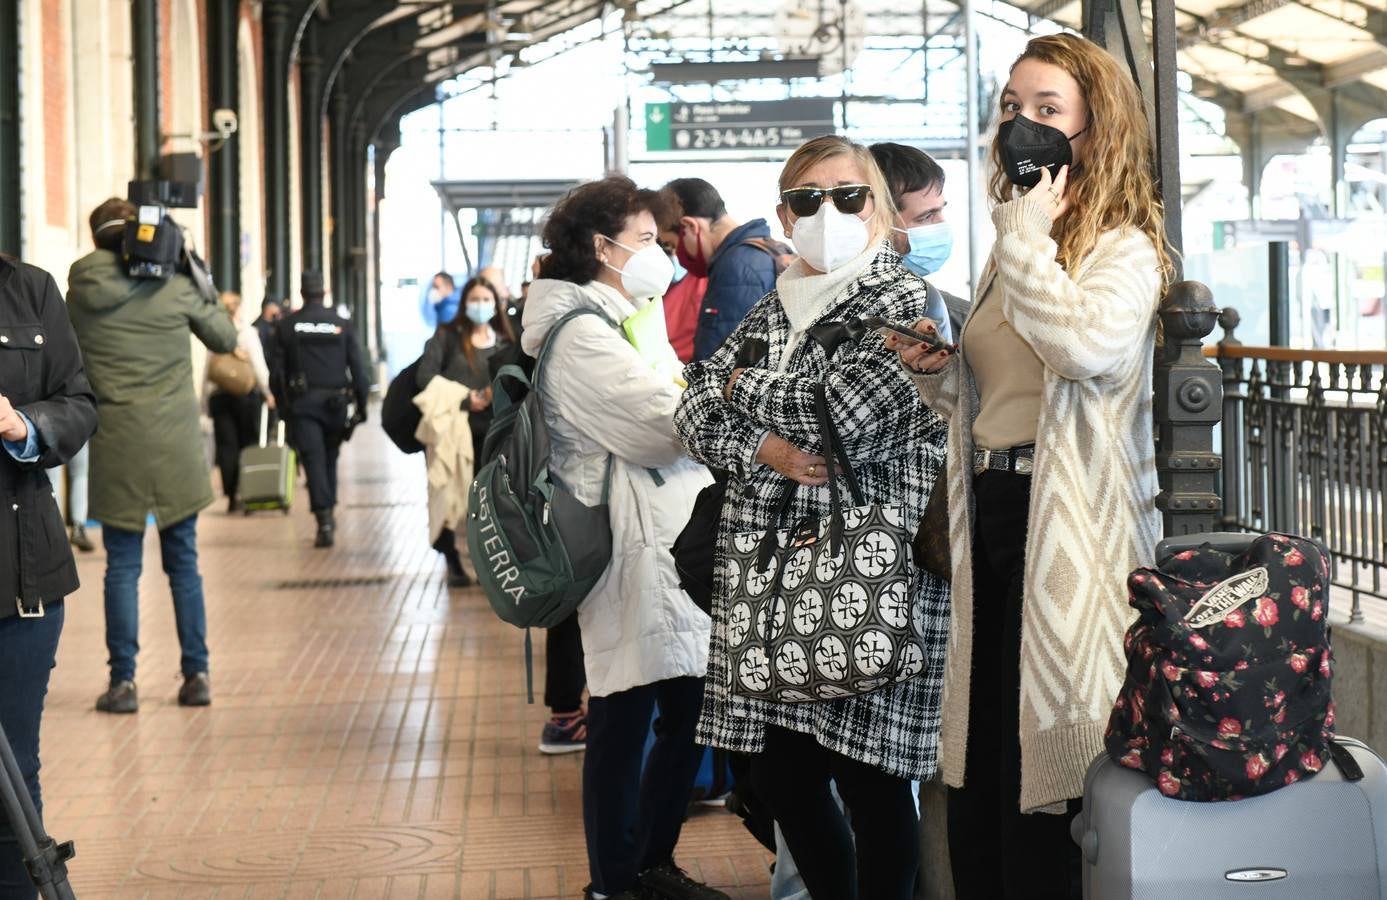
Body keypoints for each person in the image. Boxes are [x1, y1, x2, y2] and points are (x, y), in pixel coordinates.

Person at [893, 33, 1173, 899]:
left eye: (1047, 111)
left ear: (1098, 128)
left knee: (1048, 767)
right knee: (980, 755)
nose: (1021, 127)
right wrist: (939, 376)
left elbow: (1083, 348)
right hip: (991, 509)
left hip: (1073, 530)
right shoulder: (1018, 241)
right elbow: (1007, 388)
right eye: (1012, 108)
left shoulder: (1121, 248)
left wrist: (1023, 236)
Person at [673, 135, 952, 900]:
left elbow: (844, 412)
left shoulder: (903, 300)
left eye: (847, 194)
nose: (825, 212)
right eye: (806, 199)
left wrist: (733, 385)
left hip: (870, 569)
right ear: (782, 214)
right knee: (782, 776)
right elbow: (689, 409)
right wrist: (766, 446)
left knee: (873, 781)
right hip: (769, 577)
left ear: (879, 208)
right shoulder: (773, 303)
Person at [522, 176, 724, 900]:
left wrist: (692, 406)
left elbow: (674, 405)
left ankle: (649, 861)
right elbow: (656, 427)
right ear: (601, 247)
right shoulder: (579, 334)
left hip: (663, 539)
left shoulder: (623, 317)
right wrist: (707, 407)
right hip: (627, 549)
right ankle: (616, 877)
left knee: (683, 709)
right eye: (644, 240)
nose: (659, 254)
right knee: (622, 713)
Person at [67, 197, 240, 713]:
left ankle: (123, 684)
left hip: (116, 444)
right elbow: (226, 336)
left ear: (97, 239)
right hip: (174, 446)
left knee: (121, 566)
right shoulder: (175, 285)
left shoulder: (77, 292)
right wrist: (196, 274)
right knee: (183, 564)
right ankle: (196, 675)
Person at [0, 254, 98, 898]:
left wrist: (22, 424)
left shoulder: (29, 289)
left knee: (13, 777)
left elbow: (78, 402)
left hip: (21, 582)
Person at [416, 275, 516, 586]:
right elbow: (425, 376)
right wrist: (464, 398)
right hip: (455, 431)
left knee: (492, 500)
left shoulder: (506, 341)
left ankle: (490, 563)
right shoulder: (447, 336)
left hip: (496, 434)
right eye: (474, 300)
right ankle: (454, 562)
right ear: (464, 303)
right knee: (452, 494)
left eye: (486, 300)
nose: (480, 306)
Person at [268, 270, 369, 549]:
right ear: (323, 292)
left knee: (313, 459)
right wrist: (361, 407)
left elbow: (276, 374)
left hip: (303, 405)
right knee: (329, 458)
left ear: (302, 293)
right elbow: (359, 370)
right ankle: (327, 512)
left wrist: (284, 407)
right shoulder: (342, 324)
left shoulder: (287, 326)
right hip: (336, 404)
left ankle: (324, 518)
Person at [661, 178, 777, 362]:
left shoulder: (735, 266)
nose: (676, 255)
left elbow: (721, 362)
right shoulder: (767, 249)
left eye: (671, 244)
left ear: (690, 227)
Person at [869, 142, 970, 340]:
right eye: (926, 217)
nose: (942, 225)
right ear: (876, 225)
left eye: (941, 210)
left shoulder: (958, 320)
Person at [207, 291, 274, 511]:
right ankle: (250, 491)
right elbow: (258, 365)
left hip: (220, 398)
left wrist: (204, 402)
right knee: (248, 443)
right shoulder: (247, 333)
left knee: (227, 447)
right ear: (239, 308)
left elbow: (208, 371)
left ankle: (232, 495)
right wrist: (268, 392)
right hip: (246, 396)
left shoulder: (214, 333)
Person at [657, 229, 707, 365]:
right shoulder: (653, 285)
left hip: (691, 369)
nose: (673, 255)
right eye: (666, 250)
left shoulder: (706, 279)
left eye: (675, 247)